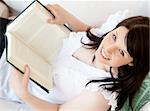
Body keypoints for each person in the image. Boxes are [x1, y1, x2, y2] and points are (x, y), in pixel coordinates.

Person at [0, 3, 149, 111]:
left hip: (8, 75)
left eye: (121, 52)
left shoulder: (100, 93)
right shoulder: (105, 34)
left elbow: (59, 110)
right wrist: (67, 17)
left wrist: (23, 94)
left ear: (132, 63)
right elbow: (91, 33)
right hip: (15, 35)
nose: (108, 49)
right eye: (114, 36)